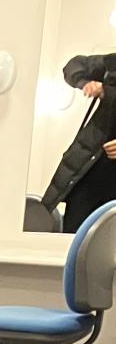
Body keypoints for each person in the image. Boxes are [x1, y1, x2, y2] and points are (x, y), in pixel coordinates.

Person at [41, 51, 116, 233]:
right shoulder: (112, 64)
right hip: (88, 173)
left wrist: (106, 91)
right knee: (73, 237)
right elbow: (74, 66)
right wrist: (86, 83)